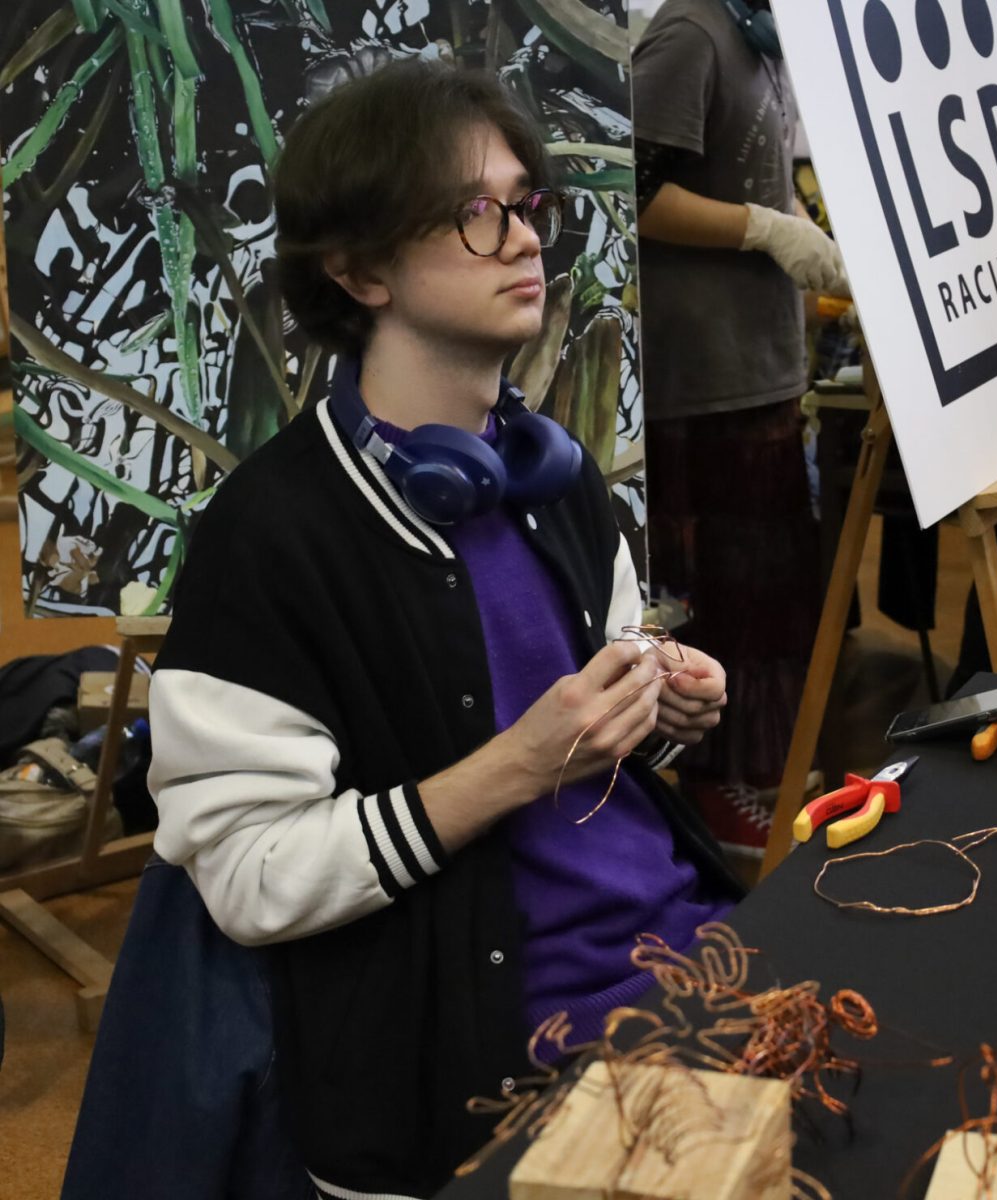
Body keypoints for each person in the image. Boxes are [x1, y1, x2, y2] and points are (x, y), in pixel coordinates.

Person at [127, 61, 743, 1198]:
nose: (524, 238)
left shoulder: (554, 476)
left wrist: (660, 710)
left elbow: (600, 742)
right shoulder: (271, 537)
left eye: (525, 204)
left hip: (697, 953)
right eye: (473, 213)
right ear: (358, 269)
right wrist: (515, 766)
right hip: (500, 1055)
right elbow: (250, 878)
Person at [633, 0, 846, 861]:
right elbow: (633, 192)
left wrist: (794, 227)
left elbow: (746, 170)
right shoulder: (693, 34)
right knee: (717, 602)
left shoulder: (759, 36)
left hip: (758, 364)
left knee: (768, 595)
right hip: (700, 378)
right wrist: (763, 229)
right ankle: (716, 784)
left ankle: (764, 765)